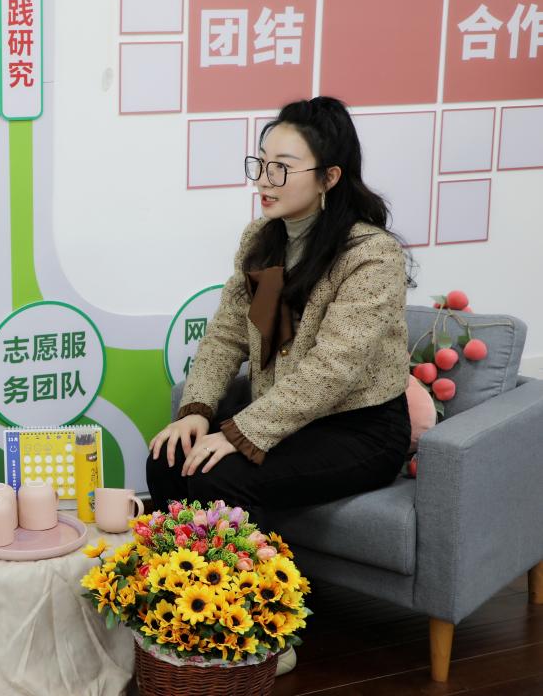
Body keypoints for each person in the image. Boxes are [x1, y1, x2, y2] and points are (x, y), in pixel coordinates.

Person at [147, 95, 411, 528]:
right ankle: (176, 571)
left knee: (219, 476)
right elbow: (227, 334)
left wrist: (240, 434)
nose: (264, 181)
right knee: (168, 459)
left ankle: (248, 575)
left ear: (329, 177)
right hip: (286, 416)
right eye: (262, 164)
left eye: (282, 168)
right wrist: (197, 409)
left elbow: (332, 369)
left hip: (358, 429)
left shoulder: (371, 255)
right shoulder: (263, 239)